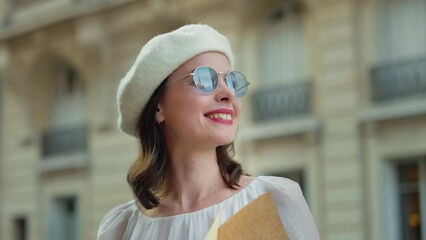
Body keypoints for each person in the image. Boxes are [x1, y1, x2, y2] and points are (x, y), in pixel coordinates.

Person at [97, 24, 320, 240]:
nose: (228, 94)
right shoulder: (122, 228)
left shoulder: (273, 200)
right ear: (158, 107)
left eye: (231, 81)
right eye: (204, 79)